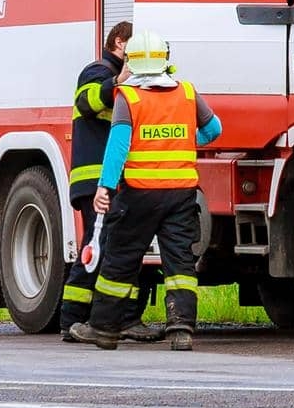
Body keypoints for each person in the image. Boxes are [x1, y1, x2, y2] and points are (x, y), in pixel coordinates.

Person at [68, 29, 221, 352]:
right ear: (165, 61)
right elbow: (214, 129)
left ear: (132, 62)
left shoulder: (130, 97)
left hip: (138, 194)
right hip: (181, 193)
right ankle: (181, 329)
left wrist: (105, 187)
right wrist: (185, 146)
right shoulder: (187, 93)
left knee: (121, 259)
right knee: (179, 262)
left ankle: (105, 329)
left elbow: (118, 146)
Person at [60, 21, 158, 341]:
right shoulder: (98, 71)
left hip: (117, 182)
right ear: (119, 42)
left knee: (122, 251)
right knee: (97, 248)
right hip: (95, 181)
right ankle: (71, 319)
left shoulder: (132, 80)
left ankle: (125, 319)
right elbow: (86, 101)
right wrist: (118, 80)